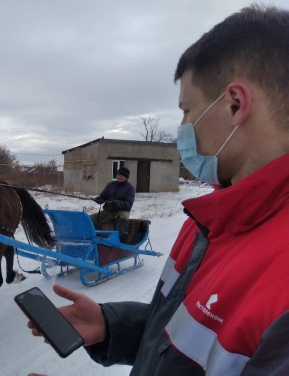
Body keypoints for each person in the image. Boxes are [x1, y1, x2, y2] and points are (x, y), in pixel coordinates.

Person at [27, 5, 289, 375]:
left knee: (113, 216)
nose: (182, 125)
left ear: (234, 105)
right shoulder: (206, 223)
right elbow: (176, 335)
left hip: (122, 215)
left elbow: (125, 202)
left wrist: (114, 202)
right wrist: (111, 325)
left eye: (186, 109)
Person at [91, 167, 135, 242]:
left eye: (122, 175)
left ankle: (123, 236)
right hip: (107, 212)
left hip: (120, 212)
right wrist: (99, 199)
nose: (119, 177)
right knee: (90, 219)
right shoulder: (110, 185)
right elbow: (103, 196)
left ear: (126, 177)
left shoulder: (130, 188)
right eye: (118, 174)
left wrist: (118, 203)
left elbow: (129, 205)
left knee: (124, 215)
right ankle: (91, 236)